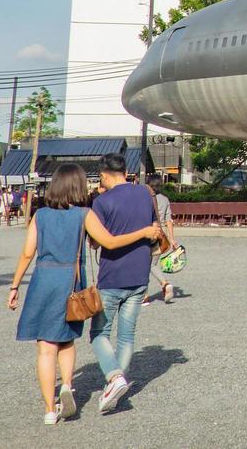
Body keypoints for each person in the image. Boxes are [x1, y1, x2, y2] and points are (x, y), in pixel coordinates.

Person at [8, 163, 160, 426]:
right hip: (71, 280)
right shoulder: (84, 214)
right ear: (78, 186)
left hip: (44, 279)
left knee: (45, 347)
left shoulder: (40, 215)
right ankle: (68, 385)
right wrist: (144, 233)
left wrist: (14, 286)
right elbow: (110, 241)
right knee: (67, 340)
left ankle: (49, 409)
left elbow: (27, 253)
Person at [89, 152, 158, 414]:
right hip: (140, 273)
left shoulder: (102, 201)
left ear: (105, 175)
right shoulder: (144, 193)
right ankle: (116, 383)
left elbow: (101, 240)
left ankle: (114, 377)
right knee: (127, 335)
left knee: (99, 333)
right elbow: (150, 225)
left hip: (113, 274)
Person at [145, 174, 176, 305]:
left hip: (147, 233)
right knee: (152, 264)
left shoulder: (145, 198)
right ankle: (163, 284)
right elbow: (169, 220)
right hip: (160, 235)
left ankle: (146, 295)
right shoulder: (165, 199)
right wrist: (172, 239)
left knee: (145, 265)